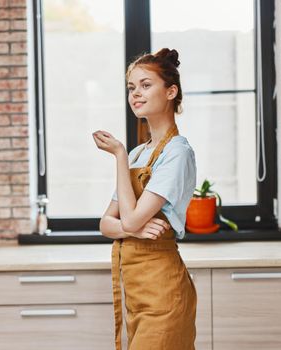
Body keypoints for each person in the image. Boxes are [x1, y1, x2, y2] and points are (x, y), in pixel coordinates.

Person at [92, 48, 197, 350]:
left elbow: (130, 217)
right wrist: (133, 230)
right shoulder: (140, 153)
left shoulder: (177, 152)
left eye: (146, 85)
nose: (136, 93)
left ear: (171, 91)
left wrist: (118, 154)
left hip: (164, 291)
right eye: (131, 87)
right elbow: (106, 224)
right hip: (137, 292)